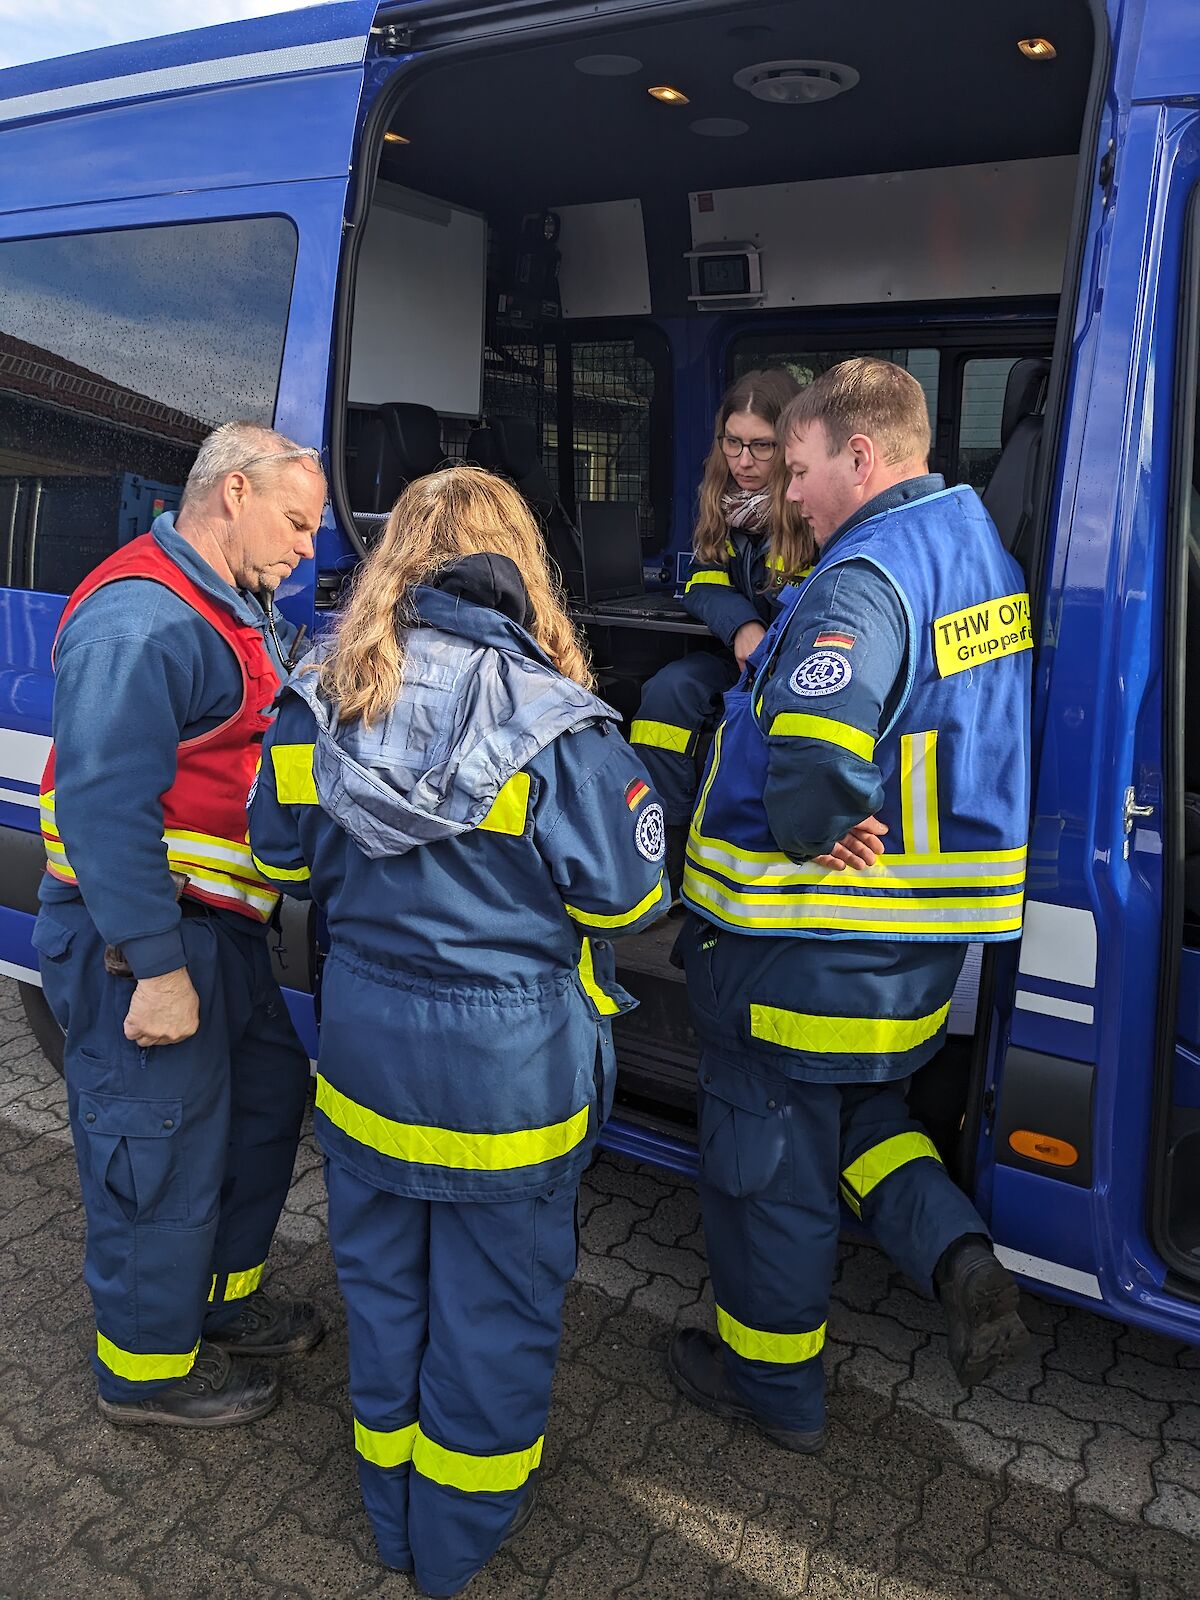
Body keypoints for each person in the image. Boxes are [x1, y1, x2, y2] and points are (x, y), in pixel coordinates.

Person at [248, 466, 667, 1598]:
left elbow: (279, 862)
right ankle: (455, 1547)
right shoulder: (557, 726)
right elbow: (629, 906)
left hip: (368, 1064)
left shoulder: (316, 697)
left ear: (395, 561)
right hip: (509, 1088)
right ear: (518, 564)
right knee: (493, 1319)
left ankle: (390, 1519)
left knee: (383, 1300)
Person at [668, 358, 1033, 1452]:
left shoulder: (866, 575)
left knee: (768, 1164)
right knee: (867, 1120)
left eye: (803, 465)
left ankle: (772, 1389)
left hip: (803, 943)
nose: (791, 491)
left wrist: (816, 825)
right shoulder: (976, 547)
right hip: (911, 954)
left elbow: (818, 750)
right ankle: (960, 1258)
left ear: (859, 458)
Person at [34, 422, 326, 1428]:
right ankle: (146, 1371)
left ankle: (221, 1304)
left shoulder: (231, 605)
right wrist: (157, 969)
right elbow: (104, 806)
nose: (305, 549)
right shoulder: (143, 617)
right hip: (146, 938)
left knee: (257, 1109)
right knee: (154, 1141)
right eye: (295, 523)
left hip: (227, 930)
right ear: (233, 493)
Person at [630, 370, 814, 887]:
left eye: (761, 445)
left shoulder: (812, 504)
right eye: (732, 442)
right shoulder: (721, 499)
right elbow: (703, 584)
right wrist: (743, 626)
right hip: (736, 655)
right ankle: (659, 858)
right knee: (667, 692)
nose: (743, 461)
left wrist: (764, 633)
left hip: (795, 663)